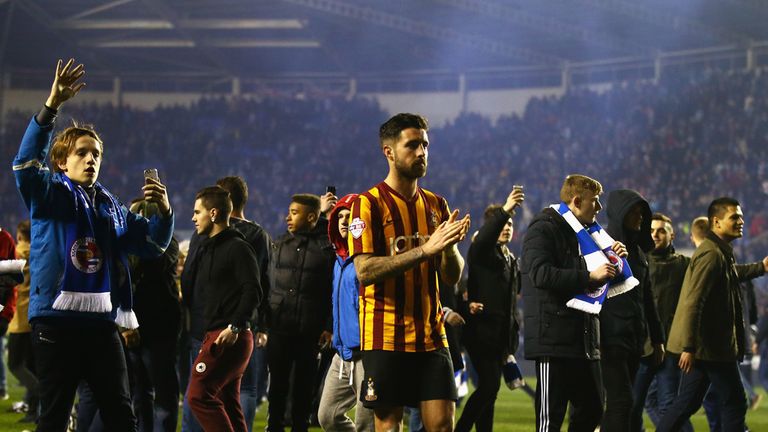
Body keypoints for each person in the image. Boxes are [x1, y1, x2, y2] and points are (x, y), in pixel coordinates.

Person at [12, 58, 174, 431]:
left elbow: (151, 244)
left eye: (96, 154)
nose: (91, 159)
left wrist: (164, 212)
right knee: (53, 417)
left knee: (120, 414)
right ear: (61, 161)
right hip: (54, 322)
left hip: (101, 325)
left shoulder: (111, 206)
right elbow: (24, 164)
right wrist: (51, 107)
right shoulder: (49, 193)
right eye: (82, 153)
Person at [349, 113, 470, 432]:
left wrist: (449, 248)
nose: (422, 152)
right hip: (385, 334)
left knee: (443, 426)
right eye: (412, 145)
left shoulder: (436, 205)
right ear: (388, 152)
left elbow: (452, 277)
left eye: (426, 145)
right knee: (389, 426)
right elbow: (364, 270)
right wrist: (425, 250)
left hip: (432, 336)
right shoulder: (367, 205)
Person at [521, 174, 625, 432]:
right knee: (549, 421)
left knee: (592, 410)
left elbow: (601, 279)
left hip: (584, 340)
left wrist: (615, 259)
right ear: (577, 201)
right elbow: (540, 274)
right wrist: (589, 276)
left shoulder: (588, 235)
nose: (599, 208)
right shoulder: (544, 227)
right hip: (553, 340)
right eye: (595, 201)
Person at [658, 197, 768, 431]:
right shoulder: (711, 255)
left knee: (687, 404)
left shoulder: (718, 252)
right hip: (710, 347)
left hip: (707, 346)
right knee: (735, 402)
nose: (741, 221)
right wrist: (688, 347)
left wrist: (762, 267)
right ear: (716, 222)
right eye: (734, 217)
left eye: (740, 216)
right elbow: (693, 302)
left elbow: (731, 274)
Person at [185, 186, 262, 430]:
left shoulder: (238, 247)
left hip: (228, 336)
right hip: (218, 334)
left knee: (198, 395)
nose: (193, 218)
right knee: (228, 402)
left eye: (198, 212)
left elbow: (253, 290)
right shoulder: (209, 247)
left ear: (214, 213)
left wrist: (235, 326)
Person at [455, 187, 524, 432]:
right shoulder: (482, 251)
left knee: (490, 392)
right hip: (481, 334)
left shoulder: (510, 259)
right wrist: (505, 210)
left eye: (510, 225)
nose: (507, 228)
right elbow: (484, 238)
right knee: (489, 386)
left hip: (500, 338)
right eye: (503, 224)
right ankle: (461, 429)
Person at [267, 193, 334, 432]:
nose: (288, 217)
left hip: (310, 331)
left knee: (303, 392)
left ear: (312, 217)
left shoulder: (327, 249)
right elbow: (269, 285)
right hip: (279, 327)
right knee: (276, 390)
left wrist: (328, 326)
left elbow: (332, 292)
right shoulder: (280, 243)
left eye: (294, 213)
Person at [600, 190, 664, 432]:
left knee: (622, 405)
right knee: (622, 402)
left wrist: (657, 339)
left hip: (634, 338)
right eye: (634, 212)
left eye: (641, 212)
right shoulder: (600, 246)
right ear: (620, 214)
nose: (639, 217)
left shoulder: (638, 252)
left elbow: (648, 299)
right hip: (609, 340)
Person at [215, 176, 272, 432]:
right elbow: (265, 283)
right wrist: (263, 326)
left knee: (208, 387)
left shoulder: (213, 231)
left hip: (214, 320)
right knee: (246, 387)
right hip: (248, 320)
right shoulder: (259, 235)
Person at [317, 193, 375, 432]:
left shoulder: (369, 259)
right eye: (339, 216)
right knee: (327, 417)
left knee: (367, 424)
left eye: (349, 216)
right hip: (341, 354)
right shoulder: (338, 260)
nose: (342, 220)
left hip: (367, 354)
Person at [630, 213, 692, 432]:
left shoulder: (684, 265)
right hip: (642, 348)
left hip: (671, 348)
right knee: (635, 406)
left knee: (669, 404)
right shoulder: (638, 262)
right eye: (652, 231)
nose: (655, 235)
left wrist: (759, 268)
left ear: (672, 235)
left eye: (661, 231)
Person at [126, 198, 181, 432]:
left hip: (147, 329)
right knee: (151, 393)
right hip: (154, 328)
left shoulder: (146, 248)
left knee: (148, 394)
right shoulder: (167, 246)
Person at [8, 220, 38, 423]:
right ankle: (34, 411)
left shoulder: (14, 254)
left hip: (18, 318)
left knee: (15, 364)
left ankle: (42, 393)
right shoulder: (37, 252)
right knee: (32, 365)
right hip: (34, 315)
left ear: (19, 235)